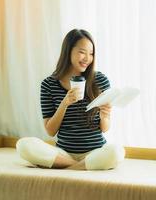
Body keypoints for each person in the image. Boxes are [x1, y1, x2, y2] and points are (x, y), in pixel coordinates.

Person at [16, 29, 125, 170]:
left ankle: (68, 167)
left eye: (91, 54)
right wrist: (65, 103)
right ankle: (79, 166)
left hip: (95, 152)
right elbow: (50, 131)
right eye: (82, 52)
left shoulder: (100, 80)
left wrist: (105, 116)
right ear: (68, 51)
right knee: (24, 145)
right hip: (64, 153)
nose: (87, 58)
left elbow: (105, 128)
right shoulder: (48, 84)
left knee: (117, 152)